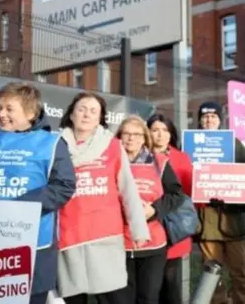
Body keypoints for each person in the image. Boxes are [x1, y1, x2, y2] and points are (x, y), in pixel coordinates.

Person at [0, 82, 76, 304]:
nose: (1, 114)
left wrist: (19, 208)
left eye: (9, 109)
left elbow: (64, 186)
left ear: (31, 113)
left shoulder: (51, 143)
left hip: (32, 244)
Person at [57, 93, 151, 304]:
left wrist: (138, 228)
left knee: (116, 299)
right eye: (81, 109)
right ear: (71, 114)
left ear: (100, 118)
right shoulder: (56, 146)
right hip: (68, 235)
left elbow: (128, 190)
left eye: (93, 111)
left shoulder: (113, 146)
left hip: (105, 236)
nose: (86, 114)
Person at [115, 115, 186, 303]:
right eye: (126, 133)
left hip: (152, 244)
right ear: (119, 136)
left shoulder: (158, 162)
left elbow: (176, 195)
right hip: (118, 243)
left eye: (137, 134)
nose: (131, 138)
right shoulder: (110, 162)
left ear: (145, 138)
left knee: (148, 297)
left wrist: (154, 209)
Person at [195, 101, 245, 304]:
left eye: (213, 116)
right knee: (212, 273)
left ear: (220, 120)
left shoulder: (234, 144)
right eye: (205, 117)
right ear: (200, 121)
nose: (209, 120)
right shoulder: (192, 144)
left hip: (234, 220)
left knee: (241, 272)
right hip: (207, 221)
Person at [147, 113, 194, 304]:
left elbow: (189, 192)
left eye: (165, 130)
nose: (160, 134)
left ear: (171, 133)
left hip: (172, 226)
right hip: (148, 226)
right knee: (149, 282)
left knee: (169, 280)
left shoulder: (181, 158)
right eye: (155, 130)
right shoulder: (139, 155)